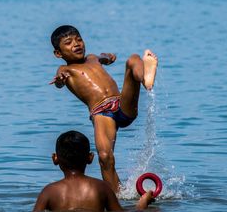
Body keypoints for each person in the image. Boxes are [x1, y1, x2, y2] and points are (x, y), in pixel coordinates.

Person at [50, 25, 158, 192]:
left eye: (79, 39)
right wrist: (60, 79)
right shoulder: (65, 70)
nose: (77, 44)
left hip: (121, 103)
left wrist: (108, 57)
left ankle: (146, 79)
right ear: (58, 53)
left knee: (133, 59)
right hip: (102, 113)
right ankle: (117, 196)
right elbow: (58, 82)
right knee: (105, 157)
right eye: (69, 42)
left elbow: (102, 58)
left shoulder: (92, 58)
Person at [33, 130, 154, 211]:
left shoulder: (49, 191)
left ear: (55, 159)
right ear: (90, 158)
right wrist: (142, 204)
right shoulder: (101, 187)